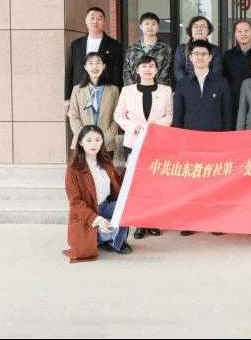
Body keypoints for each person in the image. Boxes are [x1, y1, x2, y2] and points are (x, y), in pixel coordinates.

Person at [173, 40, 233, 236]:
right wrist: (178, 142)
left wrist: (226, 141)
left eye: (204, 54)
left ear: (210, 57)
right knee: (191, 183)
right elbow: (178, 115)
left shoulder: (221, 82)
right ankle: (190, 221)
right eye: (196, 54)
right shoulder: (182, 84)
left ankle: (215, 221)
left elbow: (227, 114)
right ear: (190, 58)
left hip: (215, 141)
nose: (200, 57)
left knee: (215, 183)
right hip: (190, 141)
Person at [113, 55, 173, 240]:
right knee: (137, 183)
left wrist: (156, 124)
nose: (147, 69)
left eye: (151, 66)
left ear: (157, 70)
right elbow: (118, 115)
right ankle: (139, 223)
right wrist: (134, 127)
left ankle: (152, 221)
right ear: (137, 70)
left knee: (155, 183)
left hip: (157, 142)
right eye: (144, 66)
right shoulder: (127, 90)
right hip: (134, 142)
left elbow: (170, 116)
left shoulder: (166, 91)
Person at [63, 125, 132, 262]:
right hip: (87, 213)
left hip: (105, 206)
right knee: (111, 230)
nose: (93, 144)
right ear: (81, 143)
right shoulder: (73, 169)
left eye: (97, 140)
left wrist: (128, 166)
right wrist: (97, 219)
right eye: (88, 140)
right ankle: (100, 238)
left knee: (127, 208)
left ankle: (113, 242)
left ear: (102, 142)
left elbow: (118, 185)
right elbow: (75, 202)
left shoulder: (105, 162)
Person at [64, 6, 123, 115]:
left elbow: (117, 73)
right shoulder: (76, 44)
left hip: (106, 94)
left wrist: (118, 98)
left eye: (99, 19)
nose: (95, 21)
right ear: (86, 20)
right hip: (81, 92)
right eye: (92, 18)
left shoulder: (114, 45)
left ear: (104, 22)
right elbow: (69, 71)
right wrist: (67, 97)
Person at [68, 52, 120, 157]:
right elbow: (73, 116)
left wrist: (105, 139)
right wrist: (85, 138)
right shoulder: (77, 90)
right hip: (82, 145)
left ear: (104, 66)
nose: (94, 66)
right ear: (85, 67)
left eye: (98, 63)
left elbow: (117, 118)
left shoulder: (113, 90)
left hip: (106, 145)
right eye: (90, 63)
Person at [223, 20, 251, 126]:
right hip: (235, 103)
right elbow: (226, 80)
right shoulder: (228, 55)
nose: (243, 34)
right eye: (239, 31)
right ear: (235, 34)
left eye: (246, 31)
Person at [123, 12, 172, 87]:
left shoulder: (165, 49)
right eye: (146, 24)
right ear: (140, 26)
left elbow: (166, 72)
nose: (150, 27)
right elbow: (127, 72)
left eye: (153, 24)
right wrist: (134, 89)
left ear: (158, 27)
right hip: (134, 91)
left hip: (158, 91)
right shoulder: (132, 49)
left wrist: (155, 89)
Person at [174, 16, 223, 82]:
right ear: (191, 30)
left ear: (208, 30)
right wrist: (187, 85)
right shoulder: (182, 49)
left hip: (209, 86)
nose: (199, 29)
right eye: (195, 27)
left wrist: (204, 85)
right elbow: (178, 71)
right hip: (186, 86)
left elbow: (217, 72)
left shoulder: (215, 50)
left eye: (202, 27)